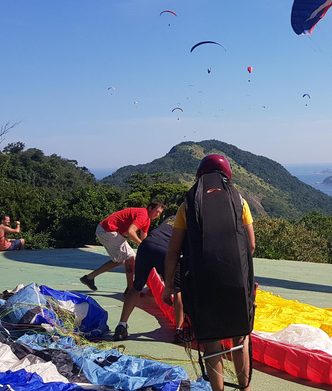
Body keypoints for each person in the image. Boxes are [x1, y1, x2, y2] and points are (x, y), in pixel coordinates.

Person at [163, 154, 256, 391]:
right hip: (236, 281)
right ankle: (244, 388)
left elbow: (173, 251)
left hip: (203, 283)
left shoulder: (188, 205)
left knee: (212, 342)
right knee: (240, 337)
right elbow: (251, 246)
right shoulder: (240, 202)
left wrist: (169, 286)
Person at [113, 218, 185, 343]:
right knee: (177, 290)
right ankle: (180, 331)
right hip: (166, 250)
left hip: (146, 246)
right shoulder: (191, 222)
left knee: (137, 286)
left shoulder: (172, 217)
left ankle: (121, 326)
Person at [80, 200, 164, 293]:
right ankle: (130, 289)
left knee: (119, 261)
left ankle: (89, 278)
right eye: (157, 211)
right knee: (130, 256)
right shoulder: (143, 215)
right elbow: (130, 232)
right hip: (108, 230)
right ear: (150, 208)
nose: (157, 215)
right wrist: (143, 245)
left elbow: (144, 239)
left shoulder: (147, 220)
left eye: (160, 213)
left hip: (104, 230)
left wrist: (148, 250)